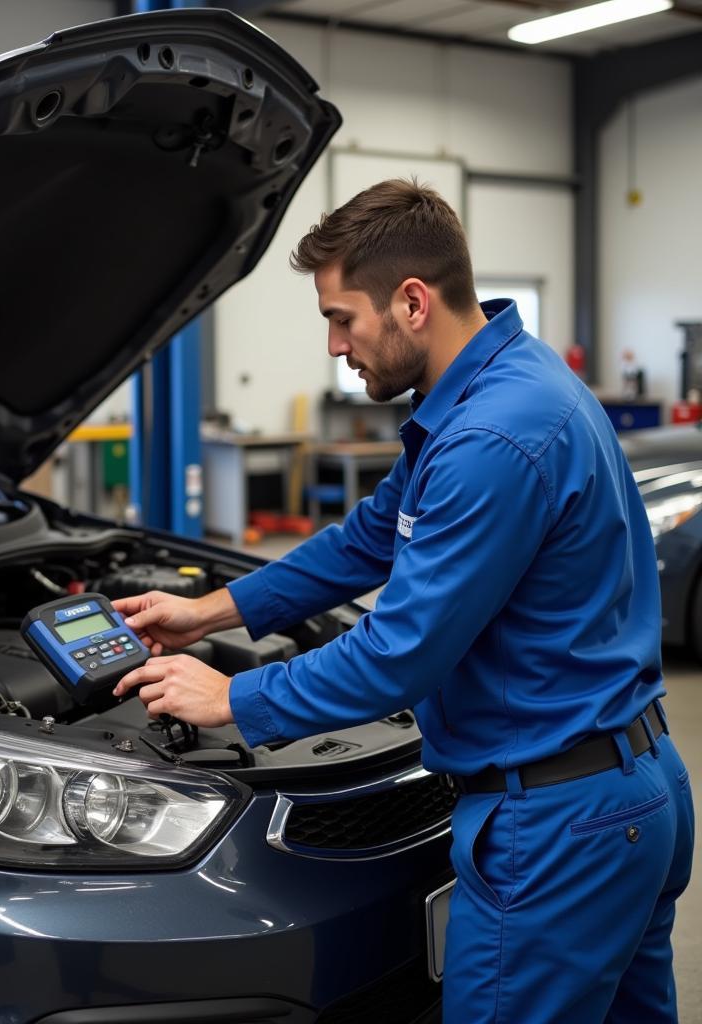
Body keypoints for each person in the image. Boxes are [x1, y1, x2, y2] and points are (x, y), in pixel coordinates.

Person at [113, 178, 695, 1023]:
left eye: (340, 318)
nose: (333, 345)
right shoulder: (501, 385)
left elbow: (398, 655)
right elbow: (366, 539)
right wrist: (210, 611)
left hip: (558, 828)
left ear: (412, 303)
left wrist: (231, 696)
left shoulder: (489, 440)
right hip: (631, 788)